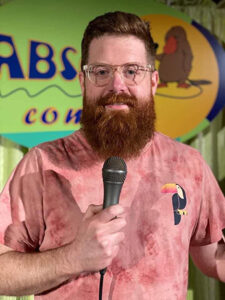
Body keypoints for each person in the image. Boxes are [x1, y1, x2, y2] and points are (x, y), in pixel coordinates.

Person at [0, 11, 225, 300]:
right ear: (83, 81)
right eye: (101, 72)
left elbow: (212, 258)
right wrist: (73, 257)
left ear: (153, 82)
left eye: (132, 71)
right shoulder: (42, 165)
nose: (117, 85)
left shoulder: (188, 164)